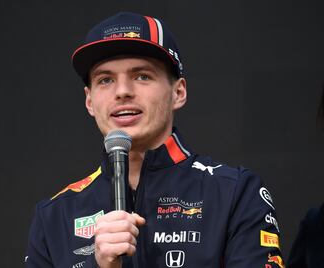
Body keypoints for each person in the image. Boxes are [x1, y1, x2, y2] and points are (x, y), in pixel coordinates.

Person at [25, 12, 284, 268]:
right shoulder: (54, 216)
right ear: (89, 101)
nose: (123, 91)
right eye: (105, 80)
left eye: (142, 76)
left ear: (178, 92)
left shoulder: (235, 193)